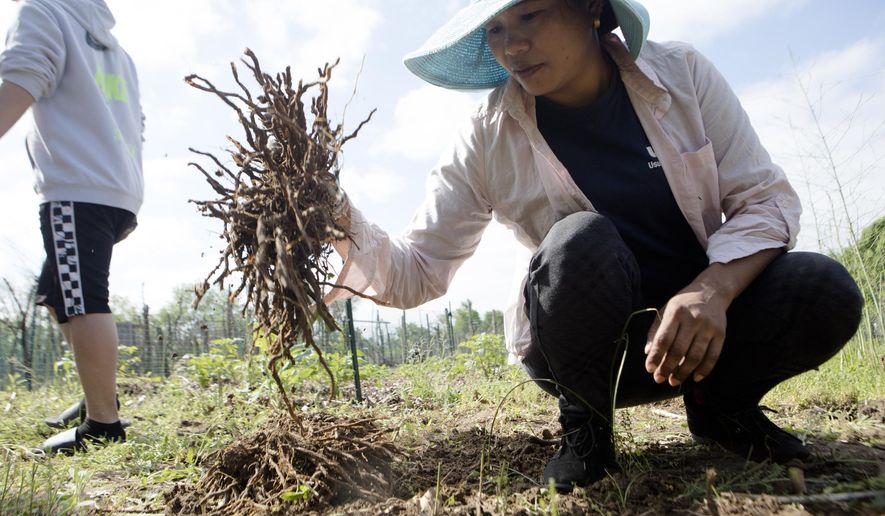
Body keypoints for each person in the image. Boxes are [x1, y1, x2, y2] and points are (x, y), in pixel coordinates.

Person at [326, 0, 864, 492]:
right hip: (582, 355)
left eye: (531, 16)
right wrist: (334, 216)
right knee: (582, 240)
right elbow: (420, 266)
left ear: (589, 7)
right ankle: (587, 430)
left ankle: (720, 407)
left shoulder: (681, 75)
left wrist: (712, 290)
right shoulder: (486, 134)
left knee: (823, 290)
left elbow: (765, 202)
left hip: (698, 341)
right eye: (494, 29)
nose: (511, 46)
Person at [0, 0, 144, 453]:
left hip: (77, 187)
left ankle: (103, 424)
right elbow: (137, 123)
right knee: (58, 292)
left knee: (83, 300)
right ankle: (94, 395)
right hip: (117, 187)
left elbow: (22, 79)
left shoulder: (43, 13)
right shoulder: (115, 50)